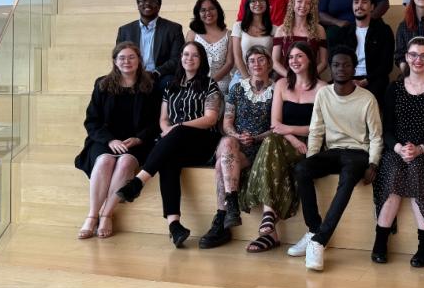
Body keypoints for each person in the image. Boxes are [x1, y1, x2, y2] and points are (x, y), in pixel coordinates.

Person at [115, 41, 223, 248]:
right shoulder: (171, 85)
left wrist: (177, 128)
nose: (188, 59)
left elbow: (210, 119)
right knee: (167, 160)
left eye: (194, 56)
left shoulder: (210, 84)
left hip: (202, 142)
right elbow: (163, 120)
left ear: (201, 61)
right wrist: (168, 131)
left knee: (178, 132)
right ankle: (175, 226)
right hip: (174, 142)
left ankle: (137, 183)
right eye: (185, 55)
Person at [288, 46, 383, 271]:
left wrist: (373, 162)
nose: (341, 69)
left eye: (346, 65)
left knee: (349, 175)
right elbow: (316, 129)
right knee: (301, 169)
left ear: (354, 68)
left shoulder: (367, 98)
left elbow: (376, 136)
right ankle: (313, 230)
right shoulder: (323, 94)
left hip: (358, 152)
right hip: (332, 151)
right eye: (337, 65)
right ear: (331, 68)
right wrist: (312, 160)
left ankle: (320, 241)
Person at [372, 37, 424, 267]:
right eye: (414, 55)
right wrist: (399, 148)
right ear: (406, 57)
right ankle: (380, 240)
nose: (418, 60)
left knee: (417, 169)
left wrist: (419, 149)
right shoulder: (394, 88)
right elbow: (386, 130)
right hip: (398, 148)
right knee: (395, 171)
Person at [240, 42, 326, 253]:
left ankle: (270, 230)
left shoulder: (322, 88)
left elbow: (320, 128)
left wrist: (291, 133)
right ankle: (269, 217)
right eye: (290, 58)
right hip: (286, 142)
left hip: (311, 146)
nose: (294, 61)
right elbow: (274, 124)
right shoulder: (281, 85)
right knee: (271, 142)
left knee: (270, 146)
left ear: (310, 59)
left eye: (299, 57)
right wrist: (293, 138)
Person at [74, 42, 161, 240]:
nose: (127, 61)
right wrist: (111, 140)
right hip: (104, 141)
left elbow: (155, 122)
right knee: (105, 160)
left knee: (124, 162)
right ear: (115, 61)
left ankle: (106, 215)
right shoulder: (102, 84)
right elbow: (92, 121)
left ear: (139, 60)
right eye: (122, 58)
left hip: (137, 143)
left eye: (131, 57)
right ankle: (92, 215)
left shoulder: (151, 86)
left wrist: (139, 139)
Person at [198, 46, 274, 249]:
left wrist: (256, 137)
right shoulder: (238, 88)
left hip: (261, 147)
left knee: (221, 162)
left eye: (260, 60)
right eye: (251, 61)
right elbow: (227, 123)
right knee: (226, 142)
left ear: (269, 63)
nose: (256, 64)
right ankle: (231, 204)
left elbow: (276, 127)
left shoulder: (277, 89)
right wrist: (238, 135)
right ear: (247, 65)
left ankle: (222, 216)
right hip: (237, 144)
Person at [329, 0, 394, 106]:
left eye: (364, 2)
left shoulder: (383, 31)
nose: (359, 6)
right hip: (347, 77)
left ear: (372, 7)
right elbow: (335, 60)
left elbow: (386, 65)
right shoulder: (344, 32)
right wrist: (348, 80)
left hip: (373, 79)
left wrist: (364, 81)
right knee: (326, 93)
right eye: (356, 2)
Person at [116, 0, 185, 85]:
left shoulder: (173, 29)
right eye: (143, 0)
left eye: (152, 1)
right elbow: (118, 57)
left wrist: (155, 72)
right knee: (101, 82)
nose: (147, 3)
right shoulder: (125, 30)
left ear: (159, 6)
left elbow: (177, 58)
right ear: (138, 5)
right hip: (131, 74)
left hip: (161, 76)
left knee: (169, 82)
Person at [272, 0, 328, 77]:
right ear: (293, 4)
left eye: (308, 3)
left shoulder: (319, 30)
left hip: (311, 79)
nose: (303, 5)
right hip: (287, 79)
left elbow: (323, 62)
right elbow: (274, 62)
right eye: (299, 1)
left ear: (311, 7)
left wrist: (309, 78)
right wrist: (290, 77)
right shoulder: (281, 30)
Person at [186, 0, 233, 94]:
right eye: (203, 10)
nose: (208, 13)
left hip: (221, 83)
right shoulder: (192, 34)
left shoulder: (229, 34)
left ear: (218, 11)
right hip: (196, 82)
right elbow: (186, 61)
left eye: (211, 9)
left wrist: (210, 82)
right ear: (198, 13)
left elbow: (229, 63)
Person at [230, 0, 274, 88]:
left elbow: (275, 58)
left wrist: (264, 78)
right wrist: (248, 80)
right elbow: (237, 56)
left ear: (267, 4)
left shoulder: (274, 29)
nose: (258, 3)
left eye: (261, 0)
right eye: (253, 1)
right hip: (243, 75)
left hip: (267, 76)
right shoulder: (238, 26)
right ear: (248, 5)